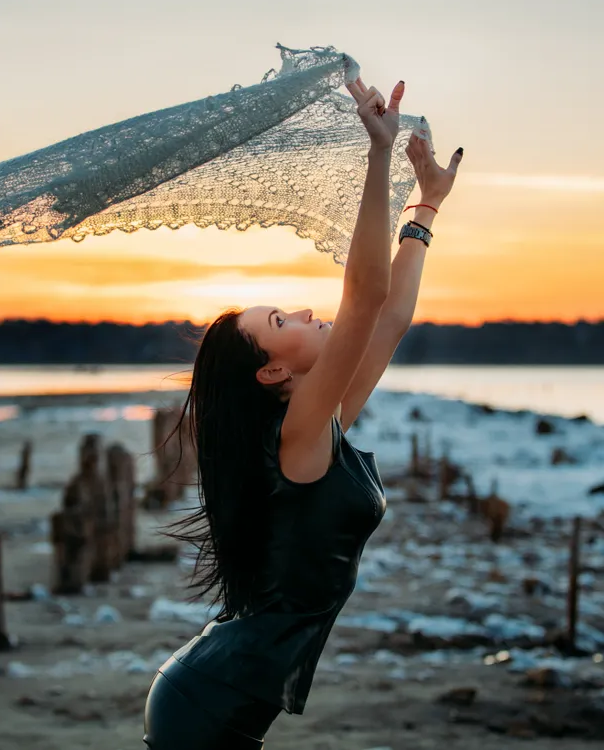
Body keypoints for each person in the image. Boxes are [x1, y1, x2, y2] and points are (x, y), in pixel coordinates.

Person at [143, 75, 462, 749]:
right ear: (273, 371)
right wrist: (378, 155)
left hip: (217, 697)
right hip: (206, 705)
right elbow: (367, 296)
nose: (309, 312)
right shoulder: (298, 436)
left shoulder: (320, 426)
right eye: (282, 319)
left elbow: (391, 318)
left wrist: (427, 207)